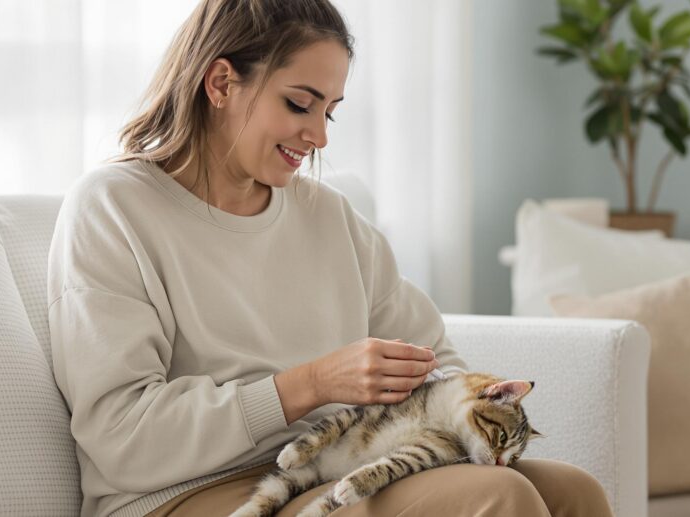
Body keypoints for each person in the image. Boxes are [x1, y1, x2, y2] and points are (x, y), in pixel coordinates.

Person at [46, 1, 616, 516]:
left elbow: (436, 360)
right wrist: (311, 384)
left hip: (336, 466)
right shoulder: (114, 207)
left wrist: (455, 403)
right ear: (220, 82)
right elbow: (121, 437)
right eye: (300, 104)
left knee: (575, 491)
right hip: (188, 493)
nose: (318, 135)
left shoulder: (329, 216)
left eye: (331, 112)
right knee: (500, 495)